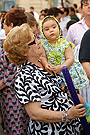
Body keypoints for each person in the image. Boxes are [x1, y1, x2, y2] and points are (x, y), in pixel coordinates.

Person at [3, 23, 87, 135]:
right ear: (24, 51)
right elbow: (35, 113)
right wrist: (67, 114)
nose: (38, 42)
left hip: (70, 128)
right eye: (33, 41)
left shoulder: (43, 64)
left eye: (36, 37)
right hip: (50, 131)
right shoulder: (24, 76)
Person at [39, 16, 90, 123]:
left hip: (67, 72)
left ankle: (87, 107)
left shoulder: (65, 44)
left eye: (53, 27)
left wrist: (60, 67)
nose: (51, 30)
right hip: (55, 74)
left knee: (72, 93)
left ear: (59, 28)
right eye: (47, 29)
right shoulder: (44, 45)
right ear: (43, 33)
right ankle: (71, 115)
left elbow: (70, 59)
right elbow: (43, 57)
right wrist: (46, 64)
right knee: (62, 95)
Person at [0, 8, 29, 134]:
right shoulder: (25, 41)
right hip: (15, 98)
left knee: (16, 130)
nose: (4, 28)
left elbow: (8, 77)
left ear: (11, 26)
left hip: (13, 99)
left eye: (4, 25)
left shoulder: (15, 45)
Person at [67, 0, 90, 104]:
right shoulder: (74, 28)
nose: (89, 7)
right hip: (82, 77)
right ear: (81, 9)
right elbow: (68, 53)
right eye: (86, 5)